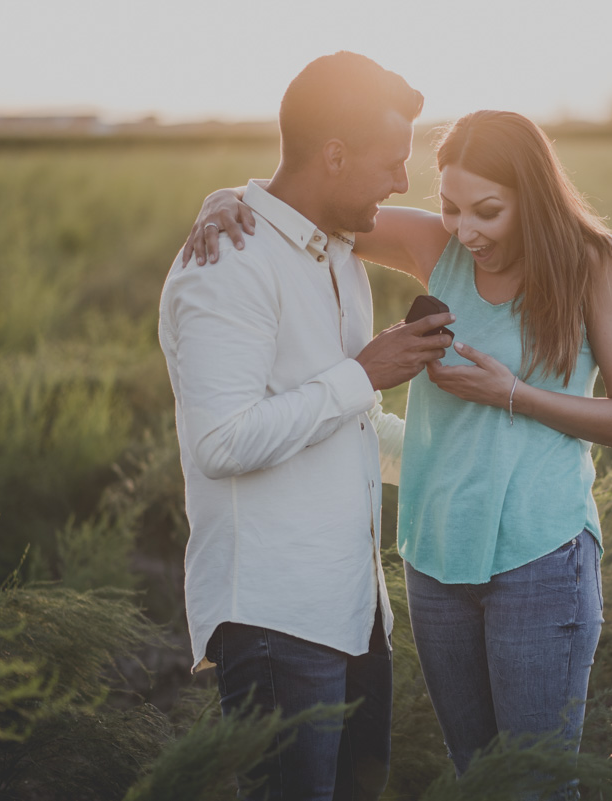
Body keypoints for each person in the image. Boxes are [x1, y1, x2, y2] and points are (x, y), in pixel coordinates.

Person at [186, 110, 612, 796]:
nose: (467, 229)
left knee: (534, 786)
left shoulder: (595, 261)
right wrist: (225, 197)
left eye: (488, 211)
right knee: (477, 776)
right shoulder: (439, 247)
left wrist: (512, 393)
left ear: (536, 194)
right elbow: (310, 205)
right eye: (451, 206)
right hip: (434, 562)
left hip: (543, 555)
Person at [158, 52, 454, 801]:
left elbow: (351, 423)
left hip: (354, 612)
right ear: (333, 155)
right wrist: (363, 372)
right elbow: (220, 441)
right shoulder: (227, 262)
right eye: (393, 161)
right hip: (274, 620)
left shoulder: (336, 254)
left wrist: (458, 463)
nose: (402, 182)